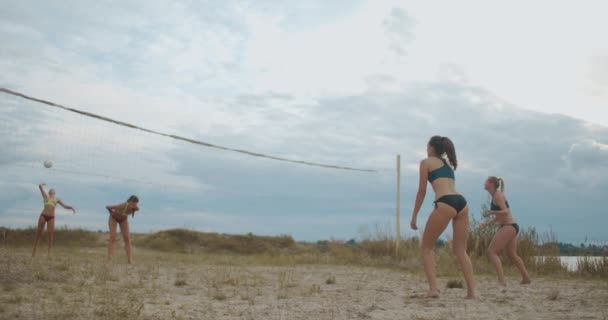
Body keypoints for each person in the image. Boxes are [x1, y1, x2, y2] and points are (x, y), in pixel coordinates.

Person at [410, 135, 475, 299]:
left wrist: (414, 216)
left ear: (431, 148)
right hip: (462, 203)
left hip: (445, 202)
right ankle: (472, 292)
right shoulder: (448, 165)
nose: (426, 149)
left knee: (426, 248)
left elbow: (421, 191)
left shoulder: (426, 162)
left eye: (427, 146)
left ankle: (433, 289)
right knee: (461, 251)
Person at [481, 176, 531, 285]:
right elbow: (500, 216)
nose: (484, 183)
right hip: (511, 226)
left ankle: (502, 281)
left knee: (491, 252)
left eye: (486, 181)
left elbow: (505, 212)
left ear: (491, 184)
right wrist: (486, 224)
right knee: (512, 254)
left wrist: (491, 212)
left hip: (509, 226)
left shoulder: (497, 196)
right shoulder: (495, 195)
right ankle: (526, 278)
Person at [32, 183, 76, 257]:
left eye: (53, 190)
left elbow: (65, 206)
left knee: (50, 234)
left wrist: (71, 207)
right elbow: (40, 186)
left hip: (51, 217)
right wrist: (42, 184)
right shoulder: (46, 197)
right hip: (43, 215)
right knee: (39, 233)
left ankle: (49, 252)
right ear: (49, 192)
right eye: (51, 190)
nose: (52, 191)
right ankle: (34, 249)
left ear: (54, 193)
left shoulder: (57, 199)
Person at [105, 195, 139, 264]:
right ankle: (110, 259)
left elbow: (137, 209)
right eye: (133, 203)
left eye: (136, 203)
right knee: (113, 237)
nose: (134, 205)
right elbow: (107, 207)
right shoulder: (123, 205)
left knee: (127, 238)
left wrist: (135, 208)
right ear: (129, 202)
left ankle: (130, 260)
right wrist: (111, 212)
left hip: (123, 220)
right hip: (113, 218)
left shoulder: (135, 208)